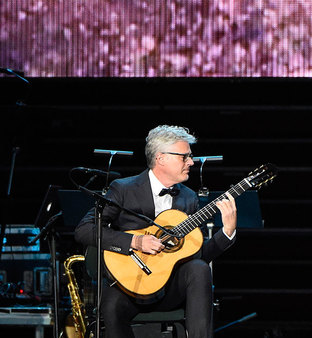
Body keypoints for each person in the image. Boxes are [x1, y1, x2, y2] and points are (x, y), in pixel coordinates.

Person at [74, 125, 237, 338]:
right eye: (185, 157)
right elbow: (84, 230)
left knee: (199, 268)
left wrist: (227, 232)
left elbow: (198, 254)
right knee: (111, 305)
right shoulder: (123, 188)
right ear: (161, 158)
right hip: (129, 285)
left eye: (190, 157)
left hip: (169, 287)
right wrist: (135, 242)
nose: (191, 162)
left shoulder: (189, 197)